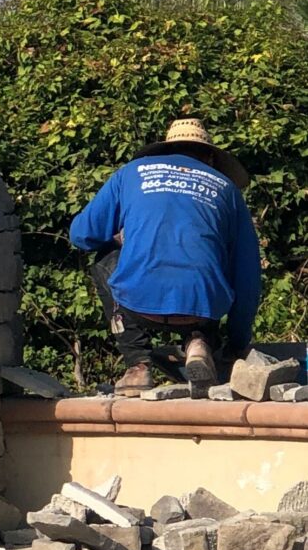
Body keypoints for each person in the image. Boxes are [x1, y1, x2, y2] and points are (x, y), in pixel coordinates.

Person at [69, 118, 261, 396]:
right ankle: (200, 342)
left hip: (137, 305)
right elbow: (247, 276)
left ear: (163, 152)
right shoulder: (227, 189)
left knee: (104, 260)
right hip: (201, 308)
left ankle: (138, 365)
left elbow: (81, 234)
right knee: (215, 265)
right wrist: (236, 342)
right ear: (209, 157)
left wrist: (119, 237)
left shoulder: (131, 173)